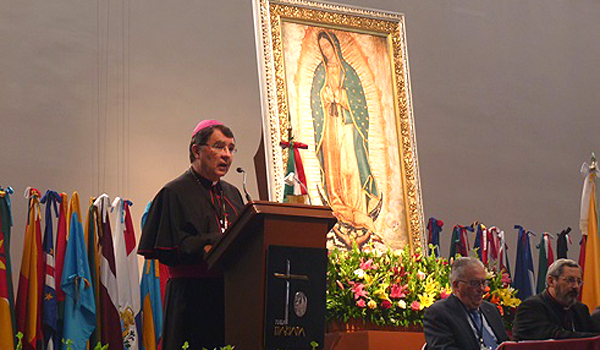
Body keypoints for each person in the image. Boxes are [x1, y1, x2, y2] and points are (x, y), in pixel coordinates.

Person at [138, 119, 245, 349]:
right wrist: (212, 243)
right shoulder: (174, 192)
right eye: (219, 147)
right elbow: (172, 246)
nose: (227, 155)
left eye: (231, 148)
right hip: (191, 298)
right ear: (197, 150)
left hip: (229, 298)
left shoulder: (233, 194)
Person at [310, 30, 380, 248]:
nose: (326, 51)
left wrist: (342, 97)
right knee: (333, 169)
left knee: (350, 167)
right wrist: (324, 97)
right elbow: (315, 99)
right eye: (322, 48)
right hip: (329, 126)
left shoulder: (348, 72)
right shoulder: (320, 72)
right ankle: (338, 206)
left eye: (328, 46)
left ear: (335, 46)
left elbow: (360, 104)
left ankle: (358, 210)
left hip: (347, 124)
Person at [424, 257, 509, 350]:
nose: (482, 289)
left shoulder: (491, 310)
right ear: (456, 285)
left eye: (483, 282)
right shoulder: (439, 313)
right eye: (474, 283)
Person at [512, 258, 600, 340]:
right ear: (551, 281)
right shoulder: (531, 307)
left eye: (579, 281)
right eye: (570, 280)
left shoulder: (580, 309)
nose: (576, 286)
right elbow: (554, 337)